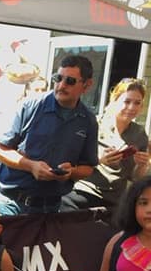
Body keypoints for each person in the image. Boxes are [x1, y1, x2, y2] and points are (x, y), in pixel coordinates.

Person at [0, 55, 99, 215]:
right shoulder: (30, 106)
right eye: (58, 78)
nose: (61, 85)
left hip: (51, 208)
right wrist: (31, 166)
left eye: (70, 81)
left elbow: (88, 167)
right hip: (12, 204)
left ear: (87, 85)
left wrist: (71, 172)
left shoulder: (88, 120)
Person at [62, 78, 148, 211]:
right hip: (83, 191)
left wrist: (141, 165)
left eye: (137, 103)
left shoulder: (139, 134)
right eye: (126, 101)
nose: (131, 107)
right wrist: (99, 160)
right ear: (114, 101)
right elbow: (68, 161)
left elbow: (136, 178)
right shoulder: (94, 124)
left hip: (114, 200)